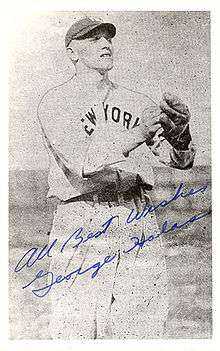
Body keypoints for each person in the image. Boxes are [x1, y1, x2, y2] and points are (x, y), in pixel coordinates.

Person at [37, 16, 196, 339]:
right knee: (77, 327)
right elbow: (83, 162)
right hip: (82, 214)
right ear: (72, 52)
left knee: (142, 325)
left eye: (107, 37)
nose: (105, 43)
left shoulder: (136, 101)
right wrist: (137, 133)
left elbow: (179, 160)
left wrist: (180, 133)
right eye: (93, 39)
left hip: (136, 213)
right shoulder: (56, 101)